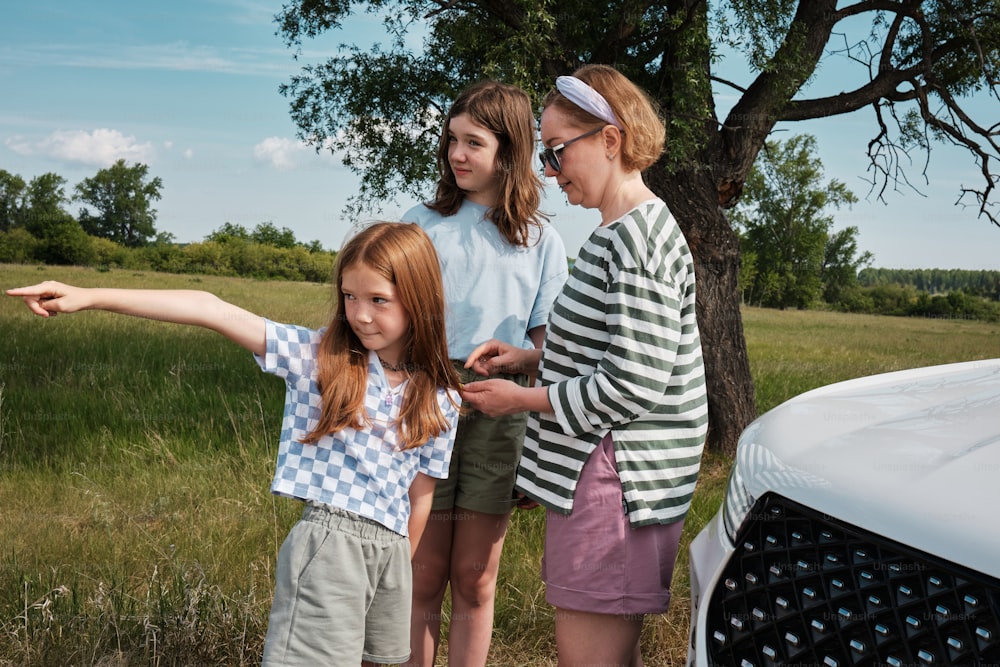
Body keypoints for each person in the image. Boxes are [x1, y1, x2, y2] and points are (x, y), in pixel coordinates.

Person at [7, 222, 463, 667]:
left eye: (378, 300)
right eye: (349, 296)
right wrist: (89, 296)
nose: (359, 314)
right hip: (331, 546)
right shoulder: (319, 358)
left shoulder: (441, 395)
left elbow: (419, 500)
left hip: (390, 551)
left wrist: (397, 567)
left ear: (420, 300)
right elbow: (210, 307)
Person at [461, 65, 709, 667]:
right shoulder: (618, 230)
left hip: (616, 483)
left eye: (556, 152)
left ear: (609, 139)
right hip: (605, 476)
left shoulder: (636, 240)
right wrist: (532, 356)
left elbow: (632, 382)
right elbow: (621, 347)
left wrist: (519, 399)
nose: (548, 171)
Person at [401, 80, 568, 666]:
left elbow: (552, 352)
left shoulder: (541, 238)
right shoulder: (421, 224)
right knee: (422, 577)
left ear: (510, 150)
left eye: (474, 142)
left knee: (474, 577)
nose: (457, 154)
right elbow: (390, 321)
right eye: (451, 140)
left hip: (500, 410)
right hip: (424, 402)